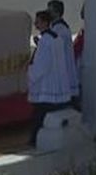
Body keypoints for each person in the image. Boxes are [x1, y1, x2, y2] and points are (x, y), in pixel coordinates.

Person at [27, 10, 70, 145]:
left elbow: (41, 65)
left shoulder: (46, 41)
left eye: (38, 22)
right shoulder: (55, 38)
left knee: (40, 114)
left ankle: (35, 139)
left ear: (45, 22)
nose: (36, 24)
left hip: (47, 85)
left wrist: (30, 73)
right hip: (57, 83)